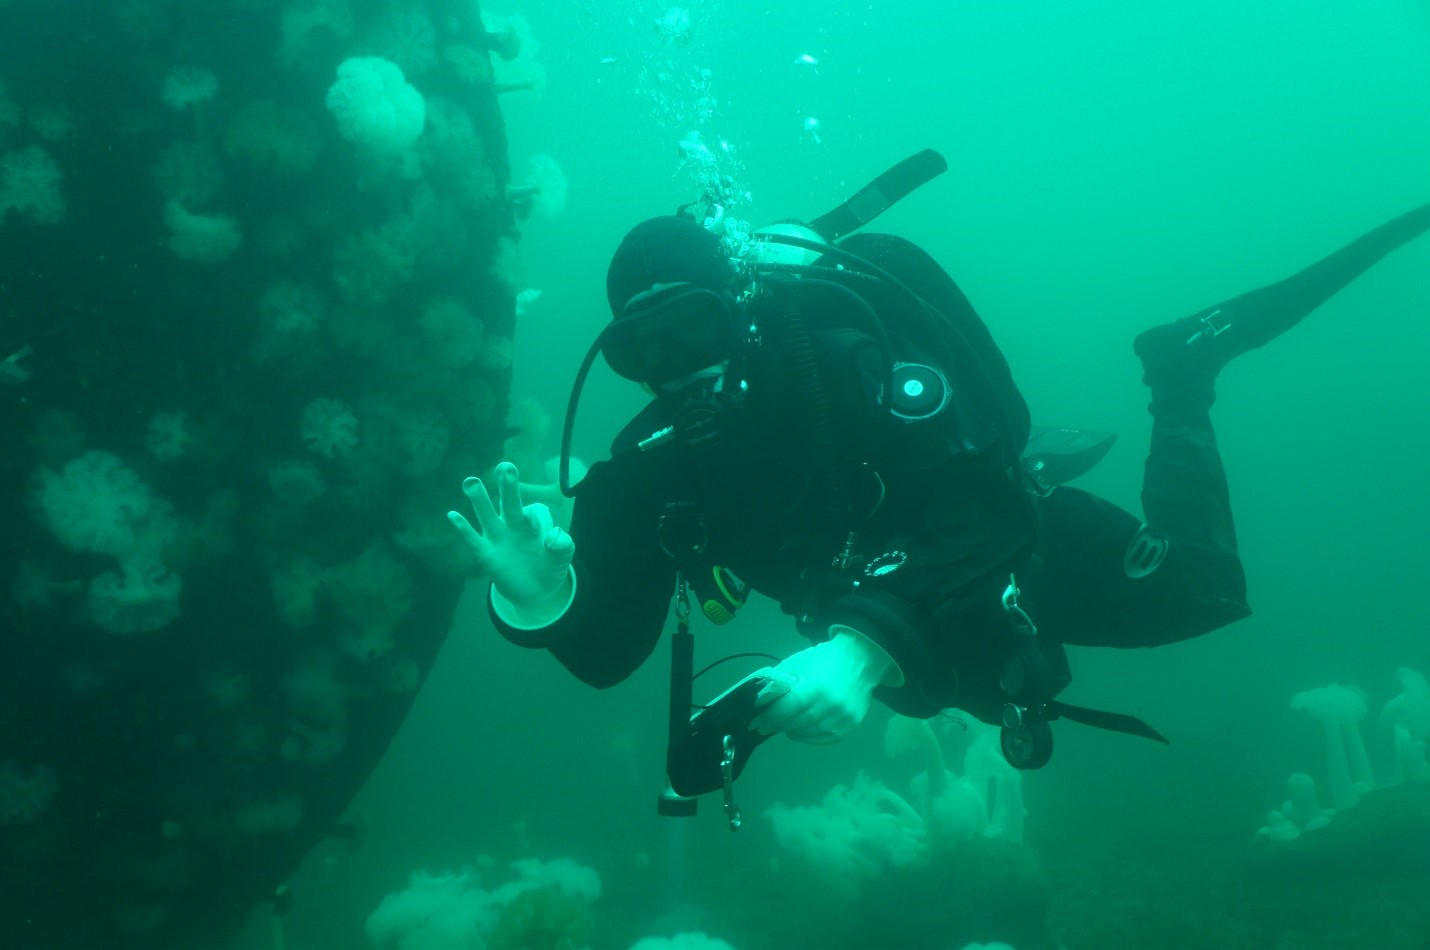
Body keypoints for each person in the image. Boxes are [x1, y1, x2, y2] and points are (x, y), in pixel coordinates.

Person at [449, 157, 1430, 774]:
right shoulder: (653, 464)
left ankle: (1179, 371)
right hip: (916, 637)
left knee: (1205, 588)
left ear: (739, 311)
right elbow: (606, 654)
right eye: (644, 351)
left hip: (1012, 551)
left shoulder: (844, 356)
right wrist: (541, 597)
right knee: (978, 679)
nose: (679, 369)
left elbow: (982, 506)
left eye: (693, 329)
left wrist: (858, 649)